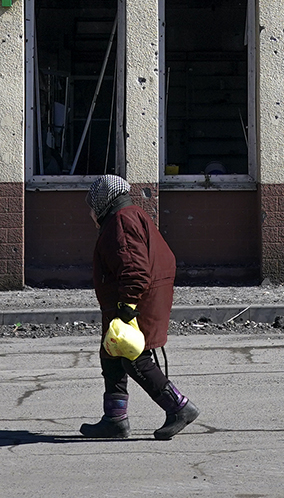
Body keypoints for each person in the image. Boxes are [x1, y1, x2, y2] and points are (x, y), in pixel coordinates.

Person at [80, 174, 199, 440]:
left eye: (91, 204)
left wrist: (127, 308)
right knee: (111, 355)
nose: (89, 211)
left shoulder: (121, 221)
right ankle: (115, 420)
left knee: (133, 356)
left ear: (103, 200)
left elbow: (134, 269)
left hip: (135, 301)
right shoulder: (127, 215)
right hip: (132, 298)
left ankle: (179, 407)